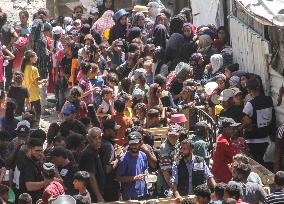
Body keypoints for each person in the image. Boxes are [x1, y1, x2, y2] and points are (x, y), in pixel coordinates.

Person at [241, 78, 283, 168]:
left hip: (253, 141)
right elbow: (278, 103)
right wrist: (280, 93)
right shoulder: (270, 99)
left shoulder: (250, 104)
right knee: (267, 165)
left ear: (249, 90)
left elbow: (246, 120)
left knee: (257, 166)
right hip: (267, 140)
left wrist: (239, 129)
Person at [117, 131, 149, 200]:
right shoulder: (124, 159)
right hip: (129, 196)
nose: (134, 146)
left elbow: (145, 171)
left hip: (143, 194)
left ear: (140, 143)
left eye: (136, 143)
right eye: (132, 144)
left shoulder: (143, 155)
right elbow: (119, 178)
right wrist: (134, 178)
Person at [12, 138, 45, 202]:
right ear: (29, 149)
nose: (40, 153)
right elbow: (29, 186)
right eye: (37, 151)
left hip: (18, 196)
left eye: (41, 151)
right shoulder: (28, 165)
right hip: (26, 199)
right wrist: (47, 182)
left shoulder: (21, 156)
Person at [79, 127, 105, 203]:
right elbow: (91, 177)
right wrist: (99, 196)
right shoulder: (88, 154)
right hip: (91, 194)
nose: (98, 141)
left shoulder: (95, 150)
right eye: (94, 138)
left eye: (99, 137)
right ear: (89, 138)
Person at [21, 50, 48, 124]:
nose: (37, 57)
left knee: (29, 110)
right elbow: (36, 83)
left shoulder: (24, 68)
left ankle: (29, 123)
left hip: (26, 92)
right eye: (35, 56)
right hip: (34, 93)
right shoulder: (34, 69)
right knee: (37, 110)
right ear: (31, 58)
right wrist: (43, 81)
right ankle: (37, 124)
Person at [212, 117, 240, 183]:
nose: (234, 130)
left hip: (222, 175)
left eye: (235, 128)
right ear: (225, 129)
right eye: (232, 128)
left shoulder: (222, 137)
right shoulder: (223, 142)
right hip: (223, 177)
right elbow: (236, 157)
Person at [99, 119, 121, 201]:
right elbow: (108, 169)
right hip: (109, 186)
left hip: (100, 184)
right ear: (107, 131)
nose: (117, 132)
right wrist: (118, 158)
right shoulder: (108, 146)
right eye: (115, 130)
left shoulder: (100, 142)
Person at [157, 125, 180, 197]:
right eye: (171, 136)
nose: (173, 138)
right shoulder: (164, 148)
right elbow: (165, 172)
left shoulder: (177, 143)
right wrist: (174, 190)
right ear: (167, 135)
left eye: (175, 136)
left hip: (175, 180)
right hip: (166, 184)